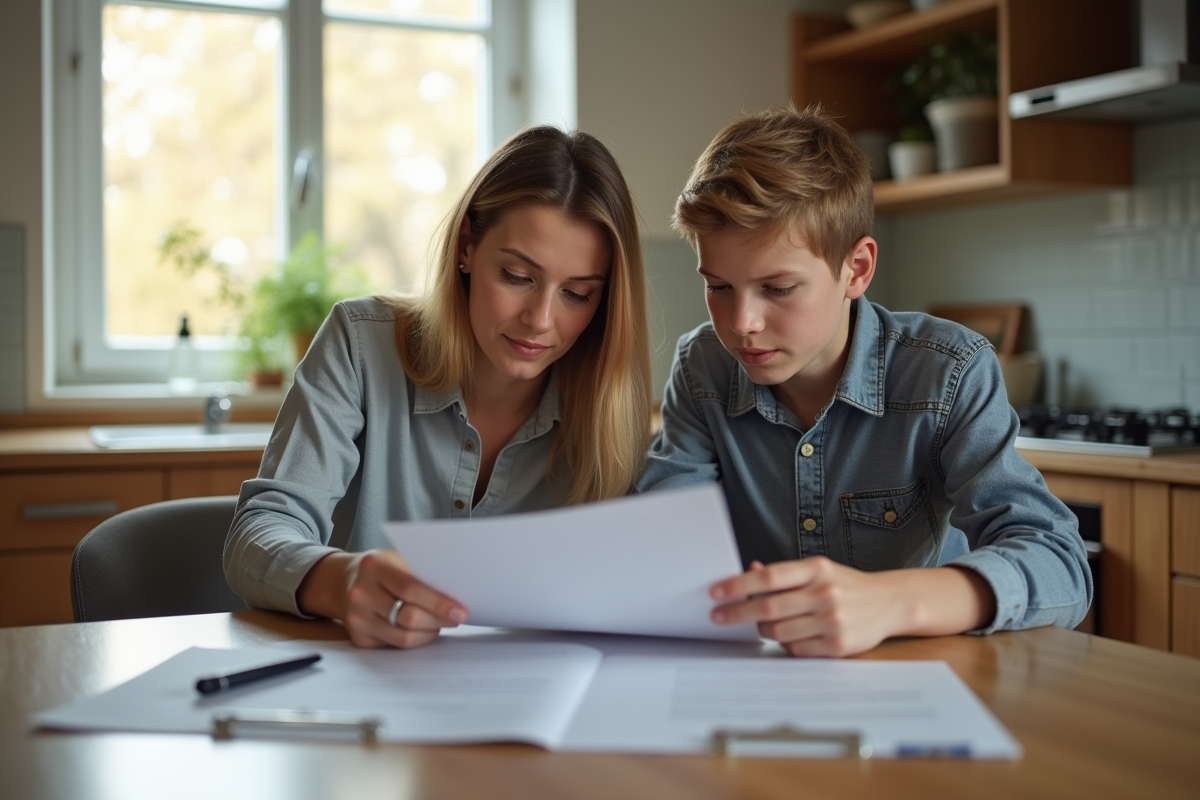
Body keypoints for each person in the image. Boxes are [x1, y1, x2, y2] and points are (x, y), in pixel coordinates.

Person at [638, 105, 1091, 657]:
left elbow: (1062, 564)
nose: (741, 324)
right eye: (719, 287)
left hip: (923, 675)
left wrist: (892, 600)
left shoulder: (948, 371)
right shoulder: (702, 367)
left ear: (856, 269)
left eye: (778, 288)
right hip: (758, 678)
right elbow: (660, 542)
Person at [225, 126, 652, 649]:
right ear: (467, 247)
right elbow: (258, 533)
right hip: (360, 691)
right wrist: (339, 582)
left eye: (578, 294)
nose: (541, 320)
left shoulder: (610, 407)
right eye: (517, 276)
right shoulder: (359, 345)